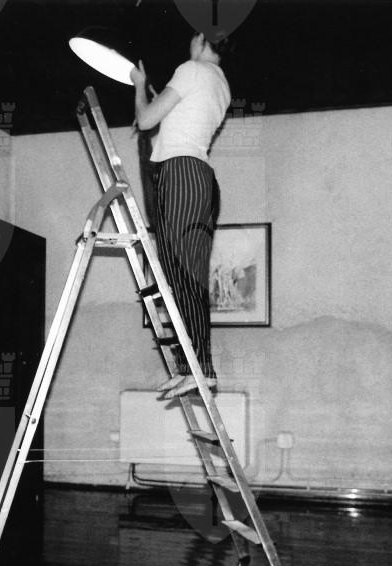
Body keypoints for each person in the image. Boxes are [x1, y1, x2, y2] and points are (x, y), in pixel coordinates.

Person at [130, 31, 231, 399]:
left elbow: (145, 121)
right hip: (196, 176)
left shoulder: (192, 69)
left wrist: (139, 86)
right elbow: (175, 123)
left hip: (182, 174)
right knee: (179, 276)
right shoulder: (220, 83)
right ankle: (192, 366)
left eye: (192, 38)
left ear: (202, 40)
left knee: (185, 276)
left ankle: (201, 369)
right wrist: (159, 99)